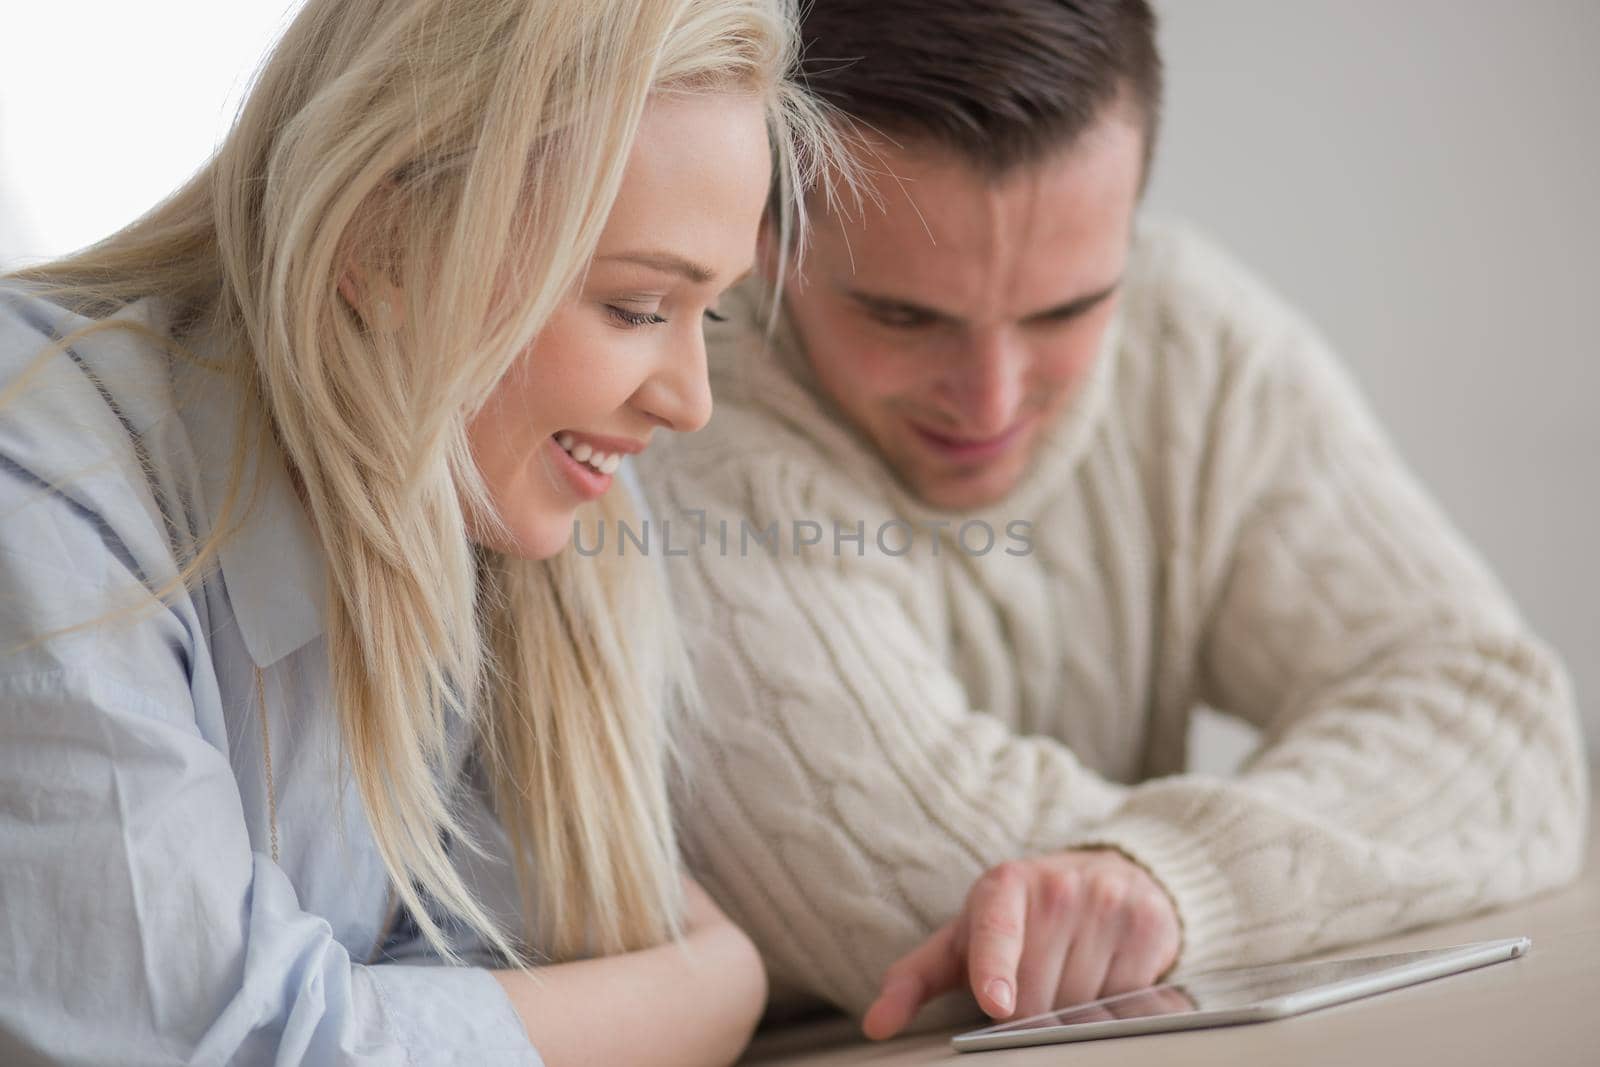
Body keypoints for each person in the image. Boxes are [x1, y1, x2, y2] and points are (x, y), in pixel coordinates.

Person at [633, 0, 1590, 1041]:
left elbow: (1508, 734)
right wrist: (1320, 854)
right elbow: (940, 915)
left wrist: (1179, 879)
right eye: (904, 316)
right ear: (765, 230)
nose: (992, 402)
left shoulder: (1189, 339)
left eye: (1065, 309)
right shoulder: (679, 416)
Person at [0, 0, 844, 1063]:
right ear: (383, 245)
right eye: (637, 306)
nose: (690, 400)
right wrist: (717, 983)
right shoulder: (36, 478)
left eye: (708, 312)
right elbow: (197, 1042)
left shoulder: (472, 506)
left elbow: (470, 973)